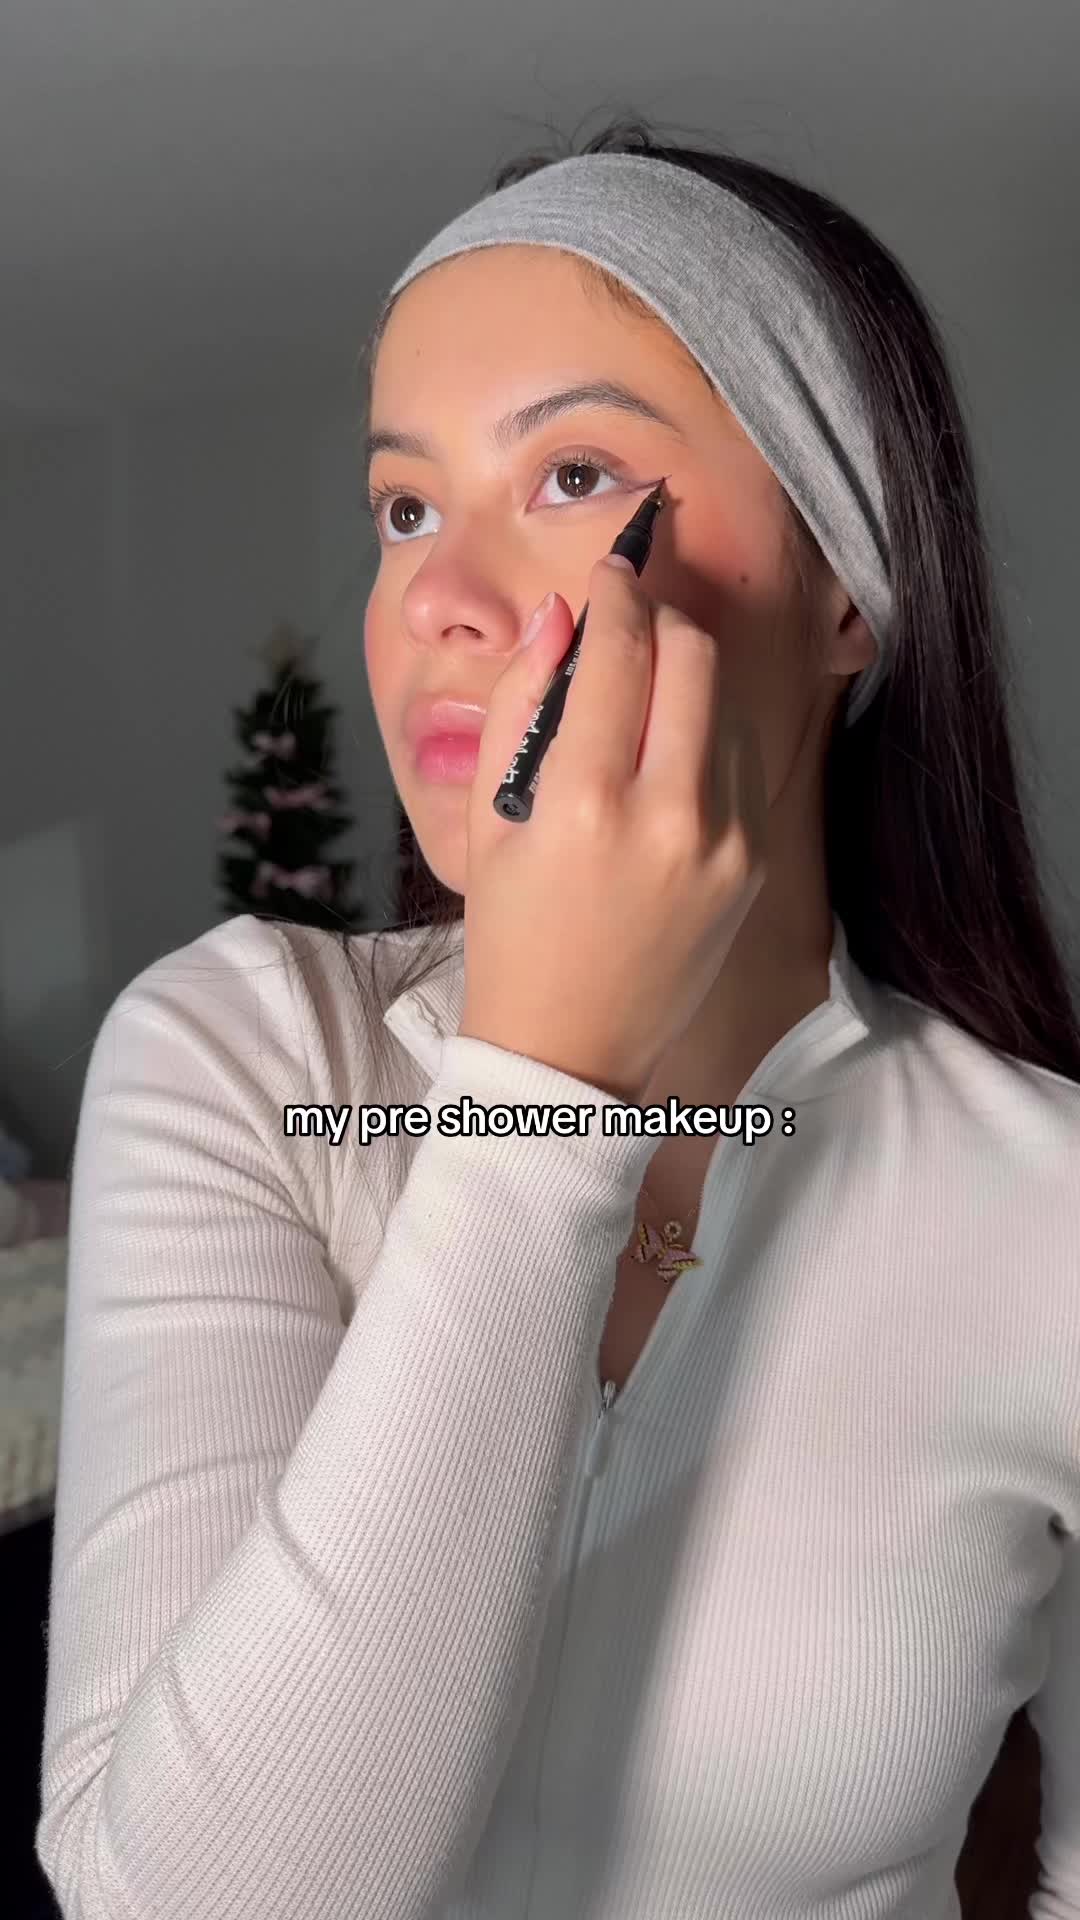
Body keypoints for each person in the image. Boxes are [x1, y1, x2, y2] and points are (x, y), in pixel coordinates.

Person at [37, 116, 1080, 1920]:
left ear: (847, 589)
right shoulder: (240, 1057)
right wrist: (547, 1084)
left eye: (576, 475)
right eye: (405, 506)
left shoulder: (1050, 1209)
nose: (433, 600)